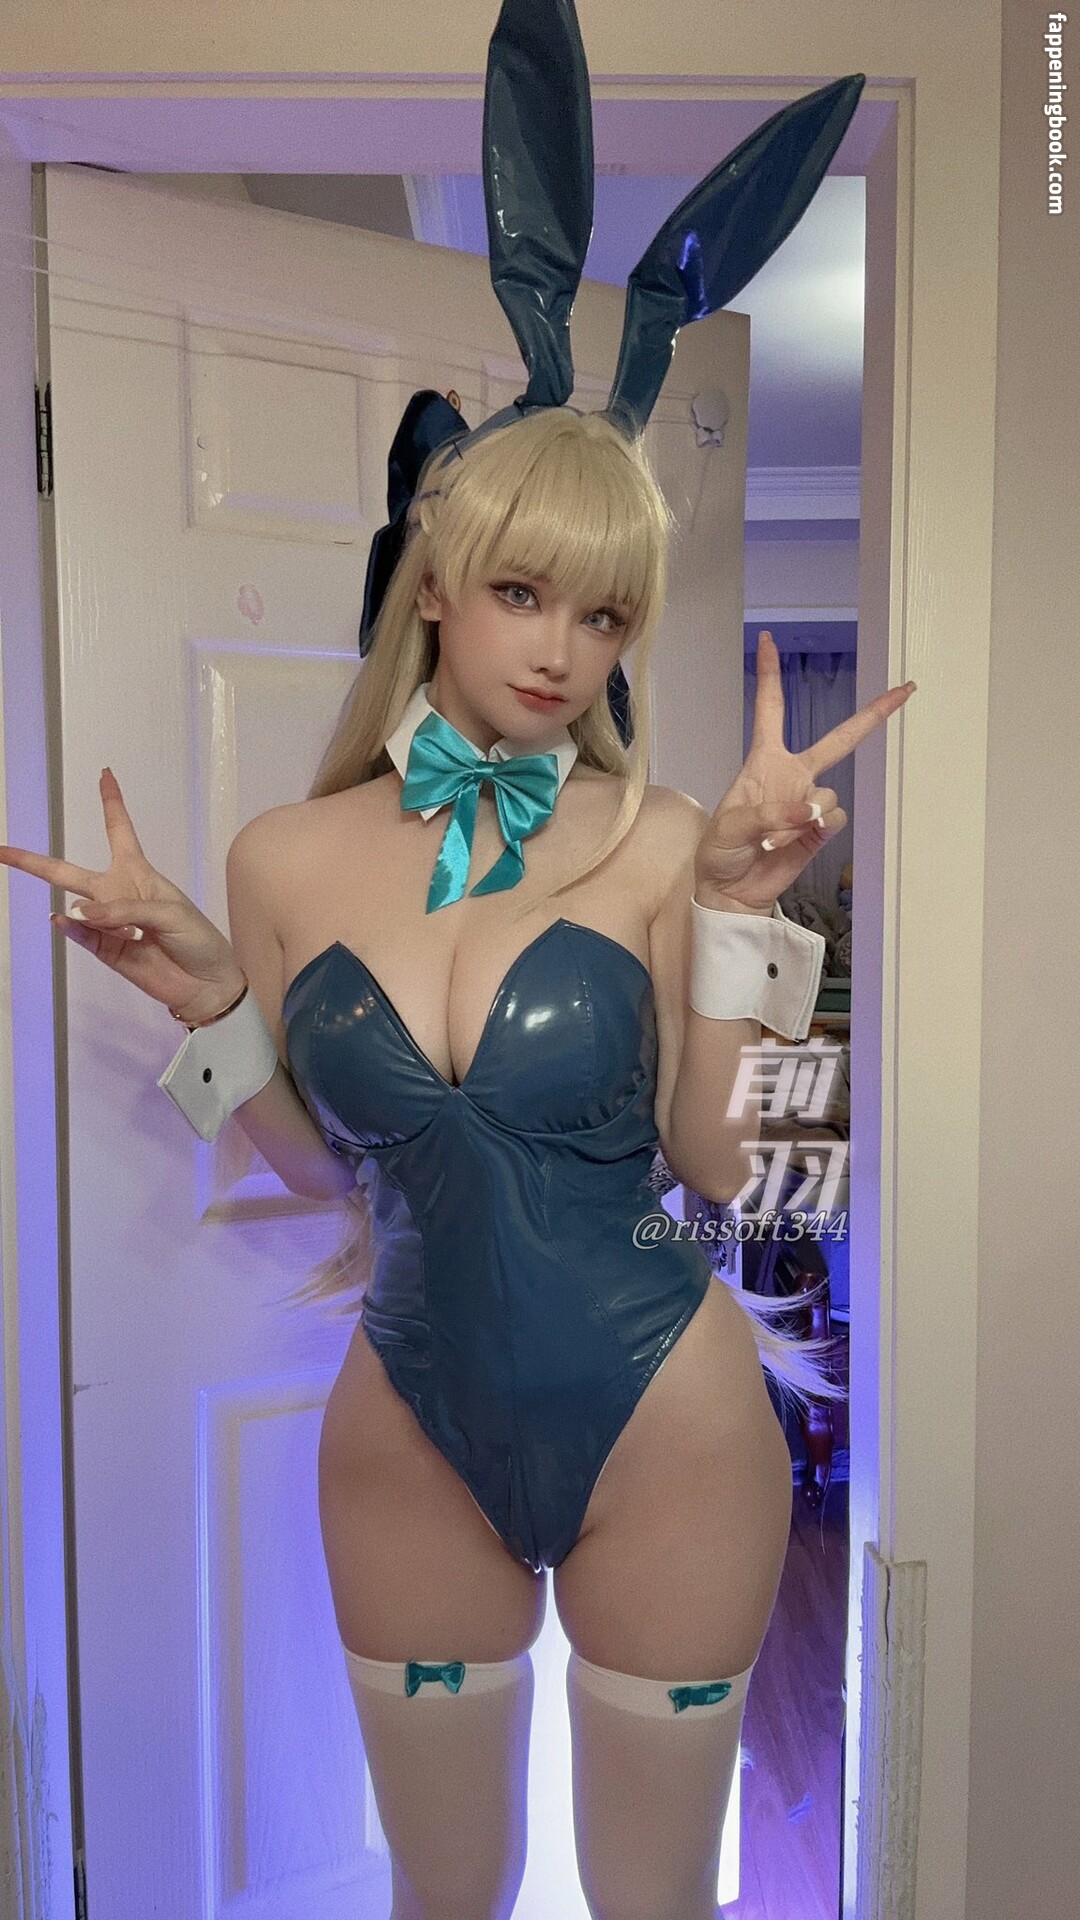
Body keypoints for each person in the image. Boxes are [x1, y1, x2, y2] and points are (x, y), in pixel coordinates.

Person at [1, 402, 914, 1920]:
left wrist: (748, 916)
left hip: (669, 1428)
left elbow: (718, 1164)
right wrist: (206, 1000)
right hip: (406, 1431)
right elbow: (323, 1177)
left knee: (653, 1902)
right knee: (443, 1897)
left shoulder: (663, 836)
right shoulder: (281, 858)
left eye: (603, 615)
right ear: (432, 584)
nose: (560, 650)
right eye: (521, 591)